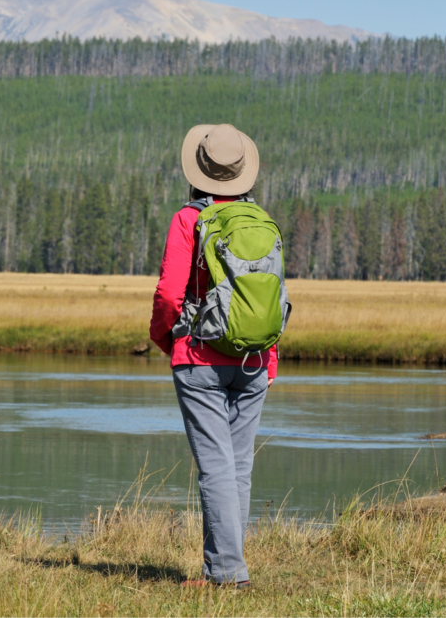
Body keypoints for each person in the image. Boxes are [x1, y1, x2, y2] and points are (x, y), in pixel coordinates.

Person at [149, 123, 279, 589]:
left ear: (199, 171)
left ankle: (226, 573)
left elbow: (168, 293)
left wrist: (165, 338)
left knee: (216, 468)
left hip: (200, 357)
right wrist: (270, 357)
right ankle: (222, 568)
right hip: (256, 360)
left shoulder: (189, 219)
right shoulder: (260, 220)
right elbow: (265, 294)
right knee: (237, 466)